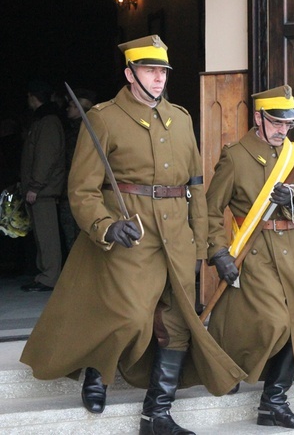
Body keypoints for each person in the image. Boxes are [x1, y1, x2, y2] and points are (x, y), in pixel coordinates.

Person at [20, 35, 246, 435]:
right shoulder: (104, 118)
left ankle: (156, 415)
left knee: (176, 324)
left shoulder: (182, 118)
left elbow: (195, 185)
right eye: (149, 71)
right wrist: (106, 225)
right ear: (130, 74)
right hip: (132, 230)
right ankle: (97, 372)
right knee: (127, 316)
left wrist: (200, 241)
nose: (158, 79)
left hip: (176, 234)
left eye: (162, 72)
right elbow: (83, 190)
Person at [205, 84, 294, 429]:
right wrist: (217, 251)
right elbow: (210, 210)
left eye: (288, 124)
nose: (283, 130)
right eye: (276, 122)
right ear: (258, 118)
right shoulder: (235, 156)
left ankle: (274, 401)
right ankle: (227, 363)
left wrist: (292, 202)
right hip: (255, 252)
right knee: (273, 321)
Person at [19, 79, 65, 292]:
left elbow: (46, 157)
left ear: (33, 96)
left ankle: (50, 276)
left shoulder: (47, 122)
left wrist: (35, 186)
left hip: (43, 191)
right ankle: (44, 273)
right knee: (41, 235)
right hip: (39, 190)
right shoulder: (41, 121)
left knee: (48, 236)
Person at [59, 88, 96, 258]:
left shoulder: (89, 128)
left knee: (82, 235)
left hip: (83, 188)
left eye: (72, 106)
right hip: (71, 187)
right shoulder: (73, 128)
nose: (68, 109)